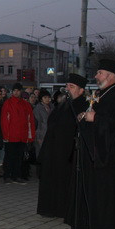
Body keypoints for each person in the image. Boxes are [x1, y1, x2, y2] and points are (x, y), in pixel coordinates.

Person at [70, 59, 115, 229]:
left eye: (99, 73)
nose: (96, 76)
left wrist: (95, 119)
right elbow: (96, 114)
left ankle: (107, 228)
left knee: (107, 194)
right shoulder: (102, 94)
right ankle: (92, 223)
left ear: (109, 76)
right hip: (97, 153)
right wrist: (85, 115)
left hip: (111, 157)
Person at [37, 74, 88, 218]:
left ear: (81, 90)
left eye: (71, 87)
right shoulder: (64, 103)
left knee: (64, 182)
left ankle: (63, 209)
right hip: (53, 149)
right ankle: (50, 209)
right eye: (67, 86)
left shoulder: (82, 105)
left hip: (68, 152)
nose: (67, 89)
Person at [0, 82, 35, 184]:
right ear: (12, 91)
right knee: (9, 156)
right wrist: (6, 135)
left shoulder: (26, 105)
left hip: (22, 135)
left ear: (21, 91)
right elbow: (4, 121)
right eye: (15, 90)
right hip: (11, 136)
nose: (16, 92)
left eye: (18, 90)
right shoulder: (8, 103)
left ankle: (16, 175)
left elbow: (30, 121)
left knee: (19, 157)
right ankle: (7, 176)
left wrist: (30, 136)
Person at [33, 89, 53, 160]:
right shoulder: (38, 108)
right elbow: (37, 124)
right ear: (41, 99)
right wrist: (38, 137)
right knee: (41, 154)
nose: (47, 99)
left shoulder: (52, 107)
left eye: (48, 97)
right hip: (41, 134)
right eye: (45, 97)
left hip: (51, 134)